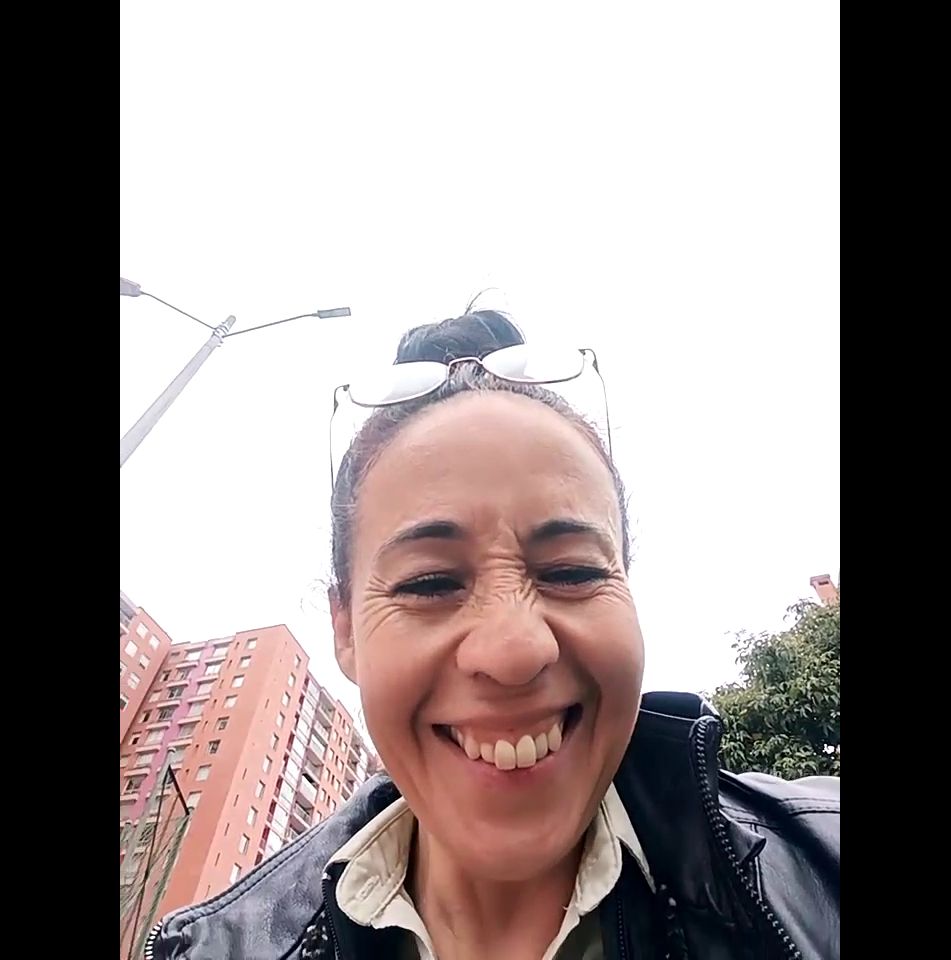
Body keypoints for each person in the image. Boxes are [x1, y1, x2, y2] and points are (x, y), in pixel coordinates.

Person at [148, 309, 839, 960]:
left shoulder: (822, 867)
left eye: (571, 571)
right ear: (346, 629)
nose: (515, 650)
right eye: (430, 583)